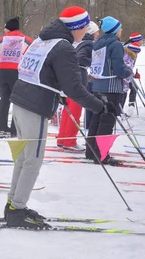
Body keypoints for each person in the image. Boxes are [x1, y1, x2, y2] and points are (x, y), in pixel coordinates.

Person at [7, 6, 106, 229]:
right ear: (77, 27)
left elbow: (47, 74)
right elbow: (74, 88)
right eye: (85, 28)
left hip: (22, 100)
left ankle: (14, 204)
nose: (86, 33)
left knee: (24, 158)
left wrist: (58, 92)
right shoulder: (63, 47)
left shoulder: (44, 39)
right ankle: (17, 209)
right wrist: (99, 106)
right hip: (34, 105)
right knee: (32, 160)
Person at [85, 16, 133, 165]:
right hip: (110, 87)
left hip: (98, 85)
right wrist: (128, 71)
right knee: (107, 121)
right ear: (114, 30)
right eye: (120, 28)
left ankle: (91, 151)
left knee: (96, 119)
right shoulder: (115, 44)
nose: (121, 30)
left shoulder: (98, 42)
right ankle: (101, 154)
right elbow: (118, 69)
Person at [57, 21, 100, 151]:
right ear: (92, 33)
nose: (98, 34)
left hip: (71, 79)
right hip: (78, 80)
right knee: (75, 110)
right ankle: (69, 141)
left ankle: (62, 138)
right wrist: (93, 62)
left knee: (68, 110)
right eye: (97, 32)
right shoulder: (89, 44)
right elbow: (80, 59)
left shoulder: (80, 42)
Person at [0, 17, 33, 135]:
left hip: (2, 72)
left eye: (5, 28)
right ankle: (15, 128)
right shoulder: (27, 40)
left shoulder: (0, 40)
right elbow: (33, 55)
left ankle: (0, 125)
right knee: (18, 100)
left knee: (4, 98)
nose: (3, 30)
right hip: (18, 72)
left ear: (8, 28)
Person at [122, 32, 143, 116]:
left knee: (134, 88)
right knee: (124, 91)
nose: (142, 41)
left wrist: (134, 75)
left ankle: (131, 106)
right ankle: (119, 112)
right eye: (141, 40)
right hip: (123, 74)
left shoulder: (134, 48)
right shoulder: (129, 49)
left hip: (128, 73)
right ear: (137, 40)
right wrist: (130, 74)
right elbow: (126, 63)